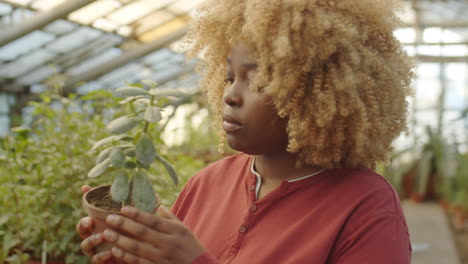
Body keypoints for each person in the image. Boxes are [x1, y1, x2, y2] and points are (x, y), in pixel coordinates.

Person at [77, 0, 414, 263]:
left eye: (256, 81)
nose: (230, 95)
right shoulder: (206, 184)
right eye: (228, 77)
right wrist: (129, 254)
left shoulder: (366, 207)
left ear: (318, 93)